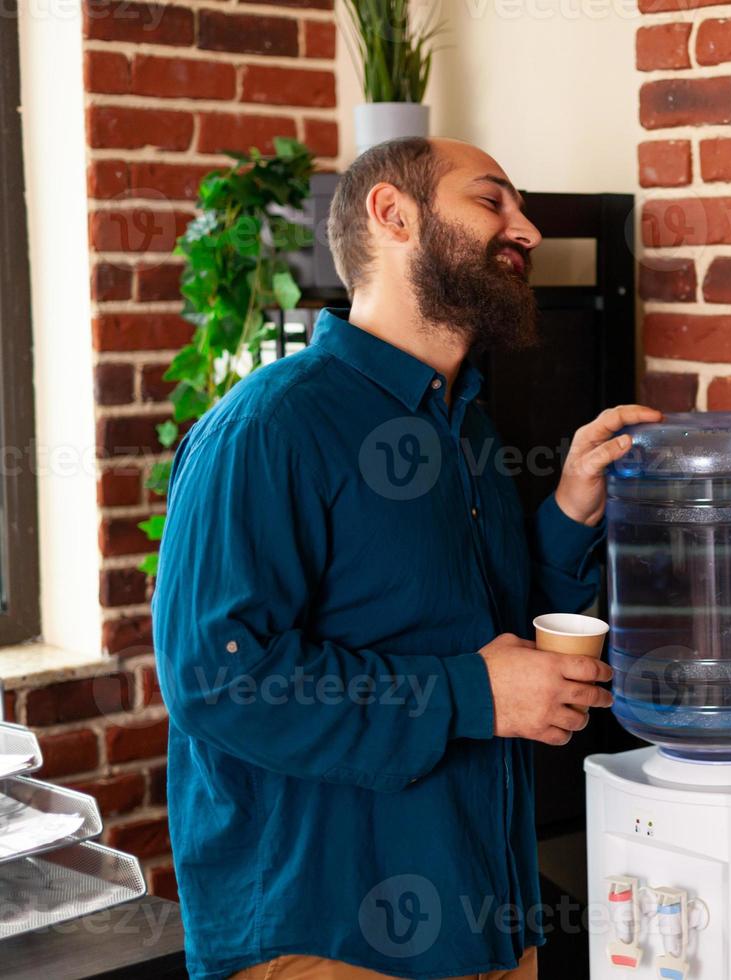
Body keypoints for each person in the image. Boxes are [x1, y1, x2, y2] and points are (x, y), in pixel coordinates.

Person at [151, 136, 661, 980]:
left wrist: (571, 506)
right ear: (394, 215)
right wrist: (471, 693)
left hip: (491, 920)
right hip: (331, 941)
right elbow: (219, 679)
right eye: (492, 202)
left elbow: (473, 630)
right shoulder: (269, 427)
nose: (526, 229)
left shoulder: (466, 428)